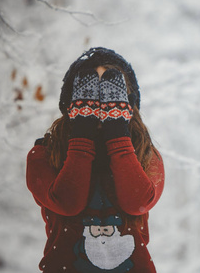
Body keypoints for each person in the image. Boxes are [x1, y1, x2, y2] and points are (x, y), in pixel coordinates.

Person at [26, 47, 165, 273]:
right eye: (89, 93)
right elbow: (67, 202)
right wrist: (83, 130)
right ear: (73, 101)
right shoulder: (43, 154)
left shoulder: (147, 155)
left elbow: (137, 201)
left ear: (127, 103)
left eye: (111, 93)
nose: (100, 103)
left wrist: (117, 132)